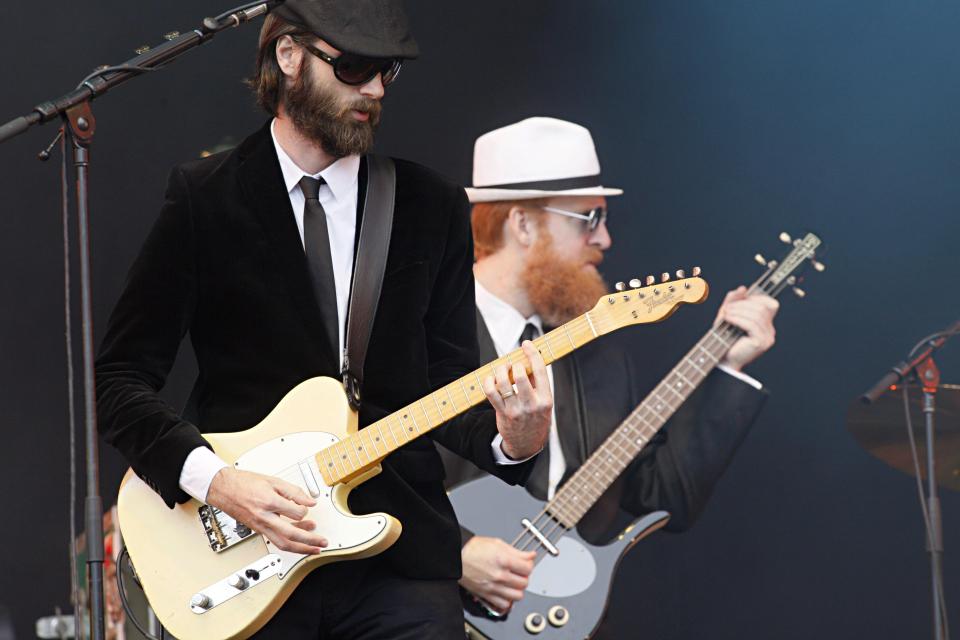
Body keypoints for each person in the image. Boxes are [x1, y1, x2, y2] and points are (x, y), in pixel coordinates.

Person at [94, 4, 552, 638]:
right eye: (355, 66)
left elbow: (449, 382)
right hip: (252, 555)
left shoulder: (429, 204)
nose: (375, 89)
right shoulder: (206, 198)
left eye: (386, 70)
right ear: (288, 56)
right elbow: (119, 378)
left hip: (400, 560)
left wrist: (515, 439)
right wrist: (218, 482)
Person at [438, 117, 778, 621]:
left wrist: (729, 369)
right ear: (524, 224)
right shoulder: (423, 329)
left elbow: (665, 495)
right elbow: (362, 481)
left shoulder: (598, 352)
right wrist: (451, 554)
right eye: (588, 218)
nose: (607, 239)